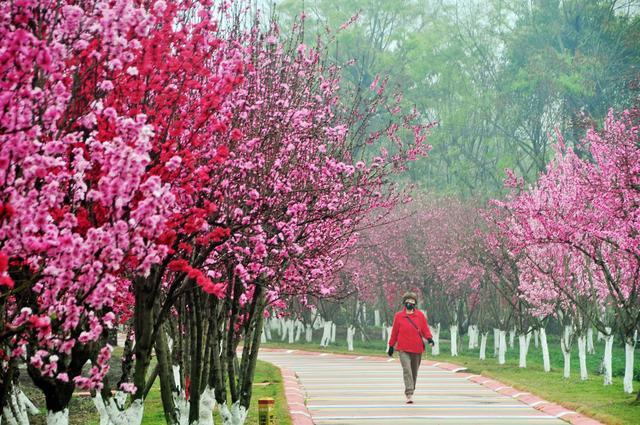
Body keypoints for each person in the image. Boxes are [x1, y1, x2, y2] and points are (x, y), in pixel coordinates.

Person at [386, 292, 434, 404]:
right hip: (403, 349)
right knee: (407, 370)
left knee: (414, 372)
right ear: (404, 302)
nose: (410, 303)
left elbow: (425, 329)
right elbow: (394, 332)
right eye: (408, 301)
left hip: (417, 349)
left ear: (415, 304)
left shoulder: (420, 316)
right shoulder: (399, 316)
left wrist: (430, 339)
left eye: (412, 302)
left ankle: (411, 389)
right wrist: (391, 346)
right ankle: (409, 393)